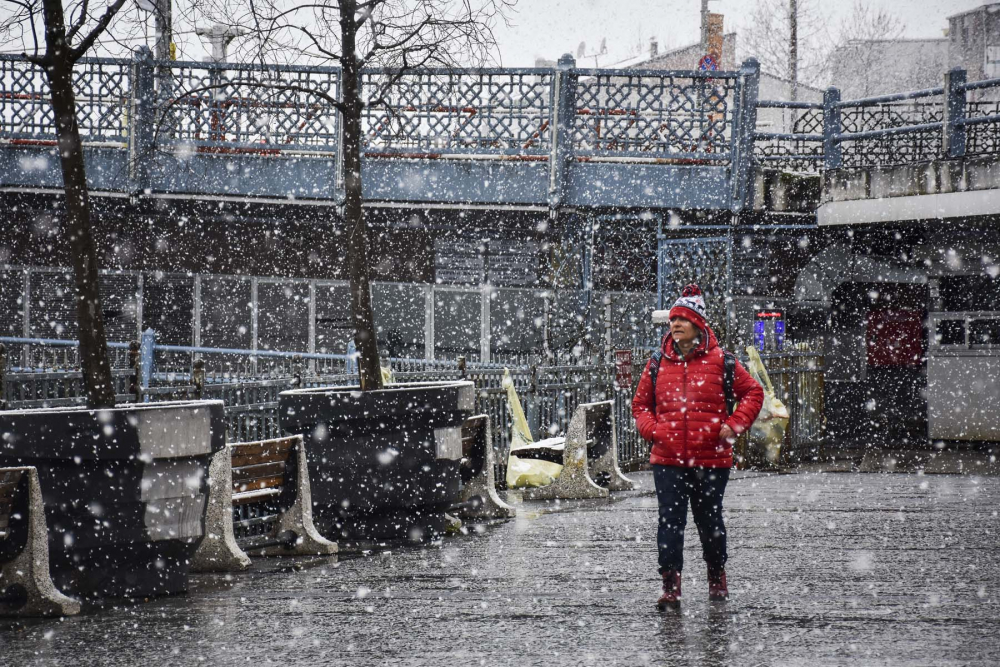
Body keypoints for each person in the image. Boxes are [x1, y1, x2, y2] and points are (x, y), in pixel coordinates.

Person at [632, 284, 763, 609]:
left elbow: (753, 394)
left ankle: (716, 576)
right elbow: (640, 405)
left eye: (682, 320)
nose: (675, 325)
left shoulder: (723, 362)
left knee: (710, 522)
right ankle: (670, 586)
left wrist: (733, 427)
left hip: (712, 461)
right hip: (668, 460)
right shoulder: (656, 363)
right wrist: (653, 431)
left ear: (698, 324)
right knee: (670, 524)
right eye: (673, 320)